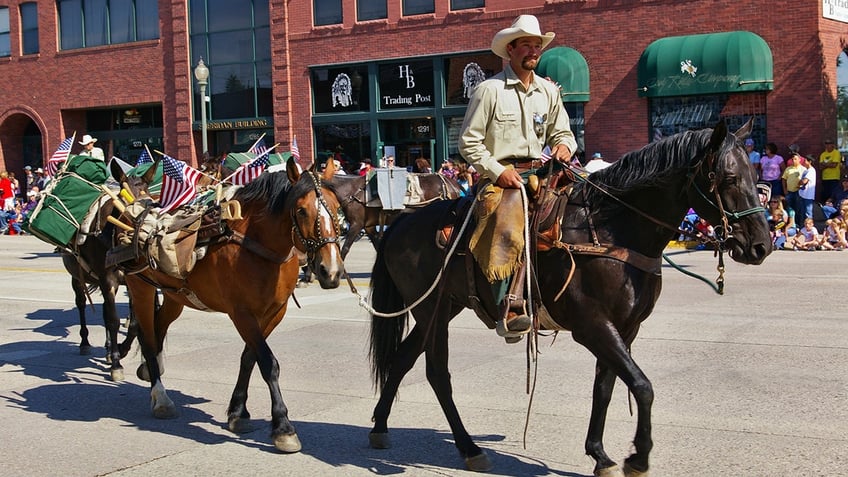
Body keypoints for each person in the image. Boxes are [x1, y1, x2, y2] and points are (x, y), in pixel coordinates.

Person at [459, 14, 577, 340]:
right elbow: (469, 142)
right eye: (526, 44)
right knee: (509, 221)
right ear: (510, 50)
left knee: (580, 206)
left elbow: (563, 133)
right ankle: (508, 307)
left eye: (537, 45)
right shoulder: (490, 90)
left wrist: (564, 148)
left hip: (540, 172)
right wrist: (498, 171)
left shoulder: (548, 92)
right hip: (499, 177)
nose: (533, 50)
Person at [781, 152, 805, 224]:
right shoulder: (788, 169)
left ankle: (798, 223)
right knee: (789, 208)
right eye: (792, 159)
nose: (794, 160)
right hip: (789, 192)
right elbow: (783, 179)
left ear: (799, 160)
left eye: (795, 159)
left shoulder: (803, 169)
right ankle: (789, 223)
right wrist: (785, 190)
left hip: (799, 192)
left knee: (798, 208)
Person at [798, 154, 817, 220]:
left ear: (810, 161)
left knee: (808, 212)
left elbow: (804, 181)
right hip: (803, 194)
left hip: (808, 195)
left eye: (805, 161)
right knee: (802, 212)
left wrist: (799, 182)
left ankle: (810, 227)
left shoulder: (811, 170)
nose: (804, 162)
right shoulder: (806, 170)